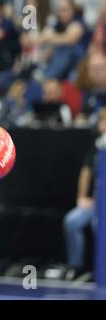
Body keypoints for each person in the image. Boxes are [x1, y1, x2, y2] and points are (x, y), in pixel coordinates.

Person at [63, 108, 106, 281]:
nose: (103, 125)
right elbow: (86, 172)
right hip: (97, 203)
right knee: (72, 221)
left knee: (99, 227)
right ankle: (77, 266)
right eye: (101, 121)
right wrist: (82, 197)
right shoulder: (97, 144)